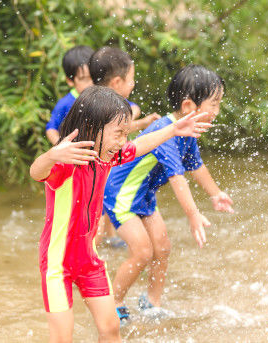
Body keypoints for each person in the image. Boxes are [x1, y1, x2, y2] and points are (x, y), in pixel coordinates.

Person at [30, 85, 211, 343]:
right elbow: (35, 172)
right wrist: (51, 155)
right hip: (57, 265)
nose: (123, 141)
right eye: (119, 134)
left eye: (125, 133)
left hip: (88, 261)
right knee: (62, 338)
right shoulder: (67, 163)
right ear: (92, 127)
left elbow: (137, 147)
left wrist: (172, 129)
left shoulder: (106, 157)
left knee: (111, 329)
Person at [103, 65, 235, 324]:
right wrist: (193, 215)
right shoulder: (166, 131)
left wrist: (215, 193)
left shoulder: (186, 130)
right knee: (142, 251)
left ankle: (151, 302)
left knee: (162, 248)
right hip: (121, 195)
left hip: (144, 196)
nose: (217, 112)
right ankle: (114, 302)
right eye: (215, 104)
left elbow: (195, 165)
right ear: (188, 106)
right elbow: (177, 178)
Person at [89, 46, 161, 246]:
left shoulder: (93, 101)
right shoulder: (103, 108)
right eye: (131, 79)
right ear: (117, 82)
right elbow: (110, 134)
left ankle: (103, 247)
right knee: (94, 228)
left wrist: (141, 122)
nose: (134, 83)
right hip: (97, 176)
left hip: (98, 175)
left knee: (96, 220)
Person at [46, 45, 94, 145]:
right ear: (70, 80)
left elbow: (131, 107)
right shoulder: (66, 103)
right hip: (75, 156)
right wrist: (62, 148)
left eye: (93, 77)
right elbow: (51, 128)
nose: (90, 83)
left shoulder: (105, 97)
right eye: (83, 79)